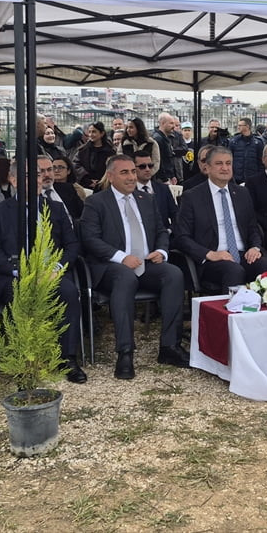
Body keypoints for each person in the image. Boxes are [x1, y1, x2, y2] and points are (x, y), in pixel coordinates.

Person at [79, 154, 188, 380]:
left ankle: (170, 347)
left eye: (132, 171)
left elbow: (161, 230)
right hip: (111, 266)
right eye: (124, 172)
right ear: (110, 176)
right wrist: (121, 257)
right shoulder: (96, 202)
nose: (132, 177)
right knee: (125, 278)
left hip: (146, 262)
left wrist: (162, 251)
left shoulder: (146, 199)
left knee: (174, 274)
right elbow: (90, 239)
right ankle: (125, 352)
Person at [0, 156, 86, 384]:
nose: (37, 180)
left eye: (38, 175)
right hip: (15, 274)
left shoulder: (56, 208)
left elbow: (71, 246)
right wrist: (23, 271)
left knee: (69, 292)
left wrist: (57, 268)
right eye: (29, 176)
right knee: (19, 294)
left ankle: (67, 358)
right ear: (13, 180)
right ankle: (25, 360)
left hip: (51, 272)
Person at [174, 147, 267, 293]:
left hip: (243, 254)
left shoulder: (242, 193)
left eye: (228, 163)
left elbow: (252, 227)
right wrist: (209, 254)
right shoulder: (192, 197)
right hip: (213, 257)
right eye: (219, 164)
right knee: (234, 271)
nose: (225, 168)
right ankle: (229, 314)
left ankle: (266, 314)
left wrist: (255, 247)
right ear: (207, 167)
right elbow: (182, 237)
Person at [133, 153, 177, 231]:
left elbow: (176, 215)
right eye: (142, 167)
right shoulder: (129, 191)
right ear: (133, 168)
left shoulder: (163, 189)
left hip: (165, 237)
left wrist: (169, 231)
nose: (147, 169)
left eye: (150, 166)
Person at [73, 122, 115, 190]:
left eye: (94, 132)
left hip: (106, 185)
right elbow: (76, 165)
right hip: (86, 185)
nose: (91, 134)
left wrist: (102, 181)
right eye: (89, 132)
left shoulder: (110, 151)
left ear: (102, 133)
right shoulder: (82, 150)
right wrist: (86, 179)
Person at [47, 158, 86, 223]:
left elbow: (80, 212)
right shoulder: (47, 188)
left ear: (68, 171)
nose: (56, 170)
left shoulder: (76, 189)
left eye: (61, 167)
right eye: (53, 168)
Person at [151, 113, 184, 185]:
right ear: (162, 123)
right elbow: (159, 162)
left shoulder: (164, 138)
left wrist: (172, 176)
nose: (173, 126)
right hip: (162, 180)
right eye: (171, 123)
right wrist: (165, 179)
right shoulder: (158, 139)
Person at [229, 117, 264, 184]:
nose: (238, 127)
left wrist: (259, 176)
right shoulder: (234, 141)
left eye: (240, 125)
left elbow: (261, 162)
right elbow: (230, 159)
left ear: (247, 126)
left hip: (253, 179)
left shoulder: (258, 143)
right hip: (237, 179)